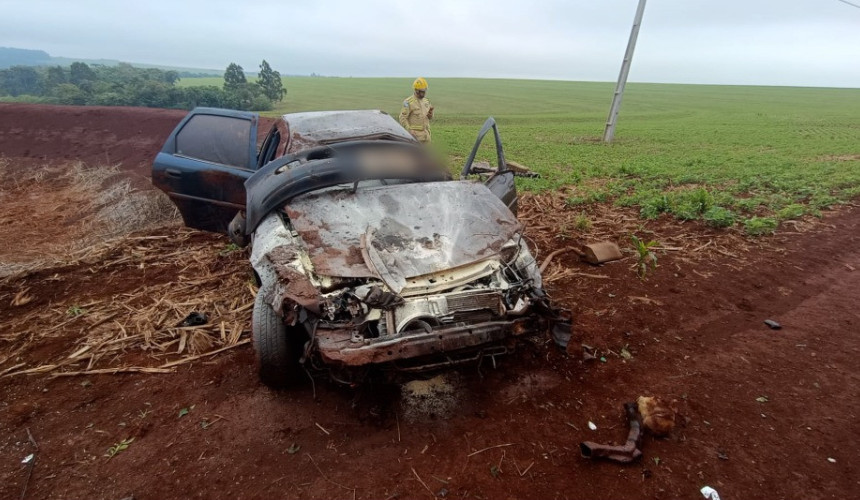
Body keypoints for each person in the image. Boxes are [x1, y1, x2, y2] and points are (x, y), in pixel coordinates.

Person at [399, 77, 434, 144]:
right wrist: (409, 131)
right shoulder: (408, 102)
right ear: (417, 91)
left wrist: (431, 115)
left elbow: (430, 117)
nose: (425, 93)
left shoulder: (426, 101)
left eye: (425, 91)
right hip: (415, 136)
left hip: (426, 135)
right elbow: (402, 118)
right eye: (423, 91)